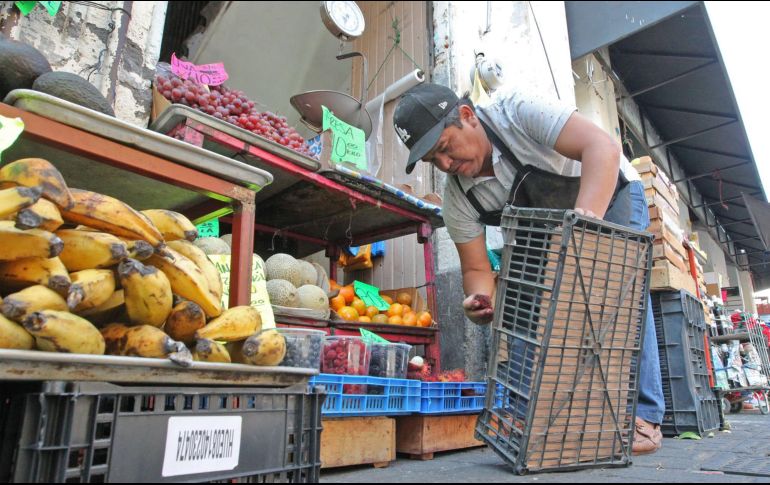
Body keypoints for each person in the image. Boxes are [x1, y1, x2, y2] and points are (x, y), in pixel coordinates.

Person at [393, 83, 665, 455]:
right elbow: (475, 269)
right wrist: (479, 299)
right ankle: (529, 415)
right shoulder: (459, 198)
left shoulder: (516, 110)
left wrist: (584, 231)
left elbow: (601, 147)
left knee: (619, 288)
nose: (444, 164)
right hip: (541, 231)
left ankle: (643, 415)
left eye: (444, 148)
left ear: (468, 116)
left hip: (607, 192)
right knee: (520, 308)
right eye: (432, 161)